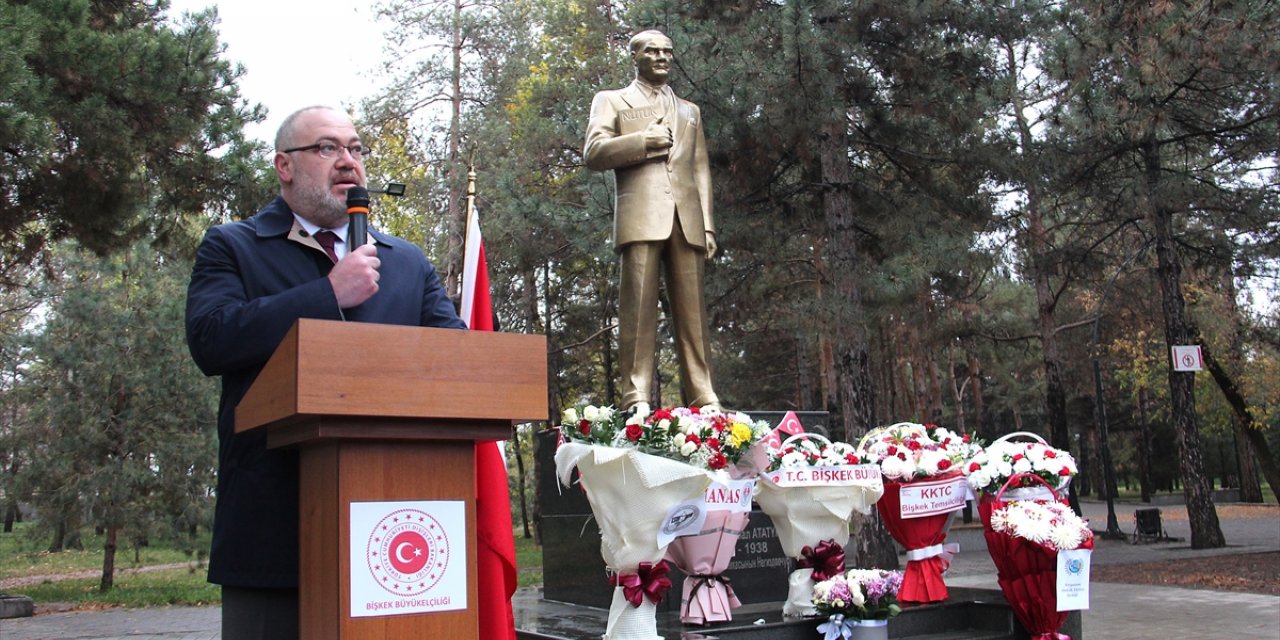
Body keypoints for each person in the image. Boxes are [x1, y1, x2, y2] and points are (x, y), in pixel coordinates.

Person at [185, 105, 465, 639]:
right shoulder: (235, 246)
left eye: (355, 149)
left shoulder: (405, 261)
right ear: (284, 166)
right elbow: (211, 340)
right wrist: (327, 295)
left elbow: (456, 358)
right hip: (276, 529)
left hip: (400, 527)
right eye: (327, 148)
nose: (348, 162)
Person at [583, 29, 720, 411]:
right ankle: (636, 394)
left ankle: (703, 392)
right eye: (652, 51)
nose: (662, 57)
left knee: (693, 313)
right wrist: (642, 142)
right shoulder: (612, 100)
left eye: (667, 52)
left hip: (687, 217)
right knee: (638, 311)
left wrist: (708, 223)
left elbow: (700, 168)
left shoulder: (690, 110)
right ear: (636, 57)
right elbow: (593, 152)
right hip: (641, 215)